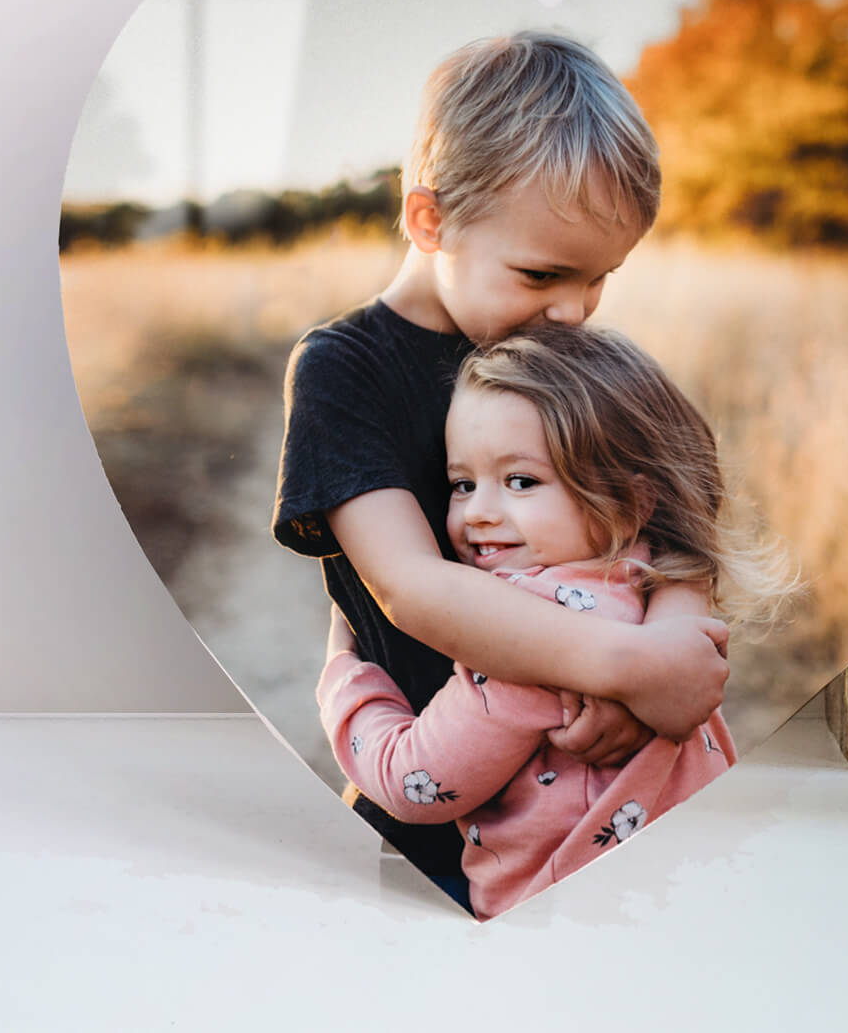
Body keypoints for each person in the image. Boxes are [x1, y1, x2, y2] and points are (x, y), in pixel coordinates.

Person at [272, 31, 733, 911]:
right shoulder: (345, 369)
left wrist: (670, 647)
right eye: (543, 273)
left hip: (603, 807)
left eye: (600, 279)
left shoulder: (564, 360)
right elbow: (413, 586)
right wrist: (625, 666)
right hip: (428, 818)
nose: (572, 310)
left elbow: (678, 519)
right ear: (430, 220)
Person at [317, 321, 796, 919]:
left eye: (521, 481)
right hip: (703, 892)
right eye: (462, 484)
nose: (478, 514)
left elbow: (414, 781)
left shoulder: (527, 639)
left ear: (630, 500)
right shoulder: (655, 583)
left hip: (563, 929)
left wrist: (345, 677)